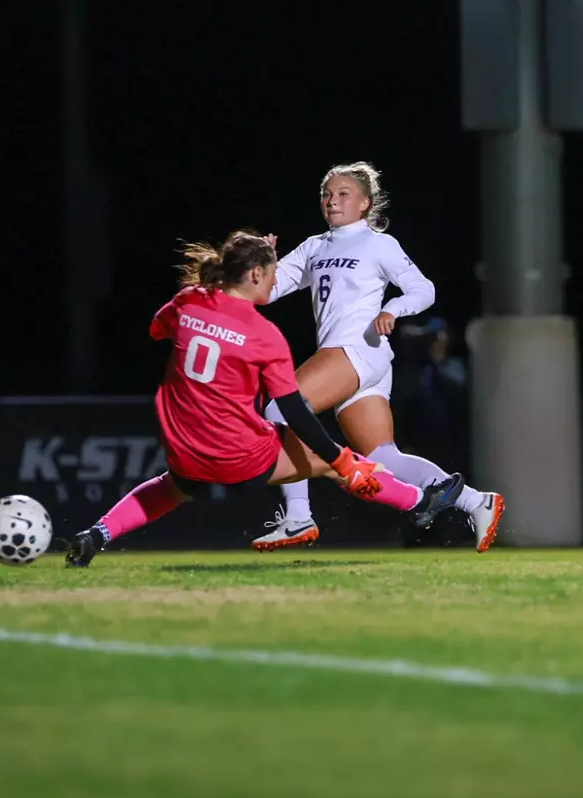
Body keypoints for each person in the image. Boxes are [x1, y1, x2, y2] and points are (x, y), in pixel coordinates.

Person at [64, 231, 465, 568]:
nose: (277, 282)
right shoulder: (265, 335)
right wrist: (339, 459)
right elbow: (293, 410)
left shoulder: (188, 301)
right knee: (332, 462)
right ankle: (416, 501)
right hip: (240, 455)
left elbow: (158, 329)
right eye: (272, 273)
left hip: (185, 448)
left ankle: (96, 534)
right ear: (255, 272)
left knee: (173, 487)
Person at [251, 162, 504, 553]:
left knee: (280, 410)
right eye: (327, 194)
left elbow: (424, 290)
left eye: (343, 194)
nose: (333, 200)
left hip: (356, 350)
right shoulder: (314, 247)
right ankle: (476, 501)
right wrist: (264, 263)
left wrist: (393, 310)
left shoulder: (378, 244)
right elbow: (266, 292)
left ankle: (298, 517)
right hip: (355, 362)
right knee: (383, 457)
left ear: (365, 203)